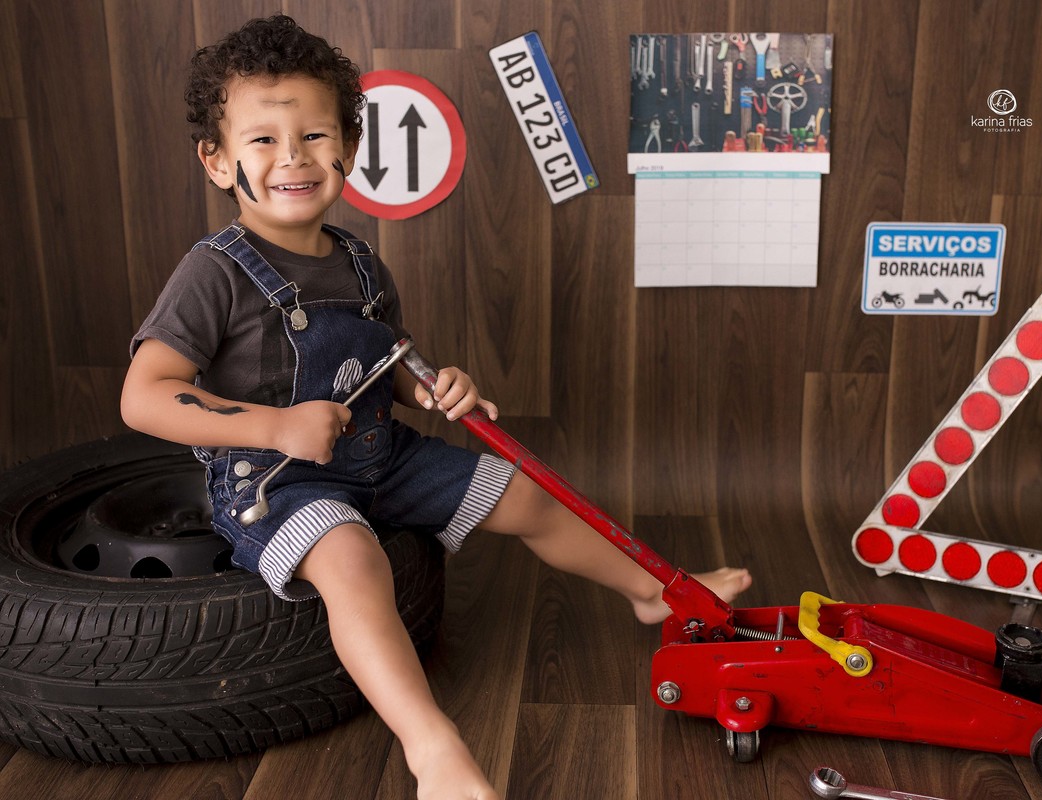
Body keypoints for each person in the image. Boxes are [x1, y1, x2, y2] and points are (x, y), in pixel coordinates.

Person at [121, 15, 752, 800]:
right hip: (275, 482)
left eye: (316, 134)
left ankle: (650, 591)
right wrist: (273, 425)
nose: (293, 157)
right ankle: (433, 747)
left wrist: (432, 384)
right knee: (356, 562)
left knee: (523, 491)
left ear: (349, 147)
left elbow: (386, 360)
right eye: (262, 140)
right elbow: (143, 397)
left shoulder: (359, 261)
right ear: (216, 162)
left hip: (380, 454)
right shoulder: (212, 273)